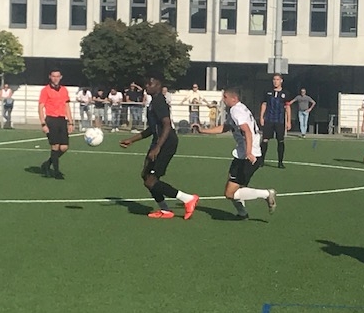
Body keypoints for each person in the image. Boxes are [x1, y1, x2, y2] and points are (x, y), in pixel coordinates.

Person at [119, 71, 199, 220]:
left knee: (151, 180)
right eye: (146, 83)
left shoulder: (159, 102)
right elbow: (152, 128)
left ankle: (188, 199)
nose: (147, 86)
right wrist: (132, 140)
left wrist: (158, 147)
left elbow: (167, 125)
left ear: (159, 85)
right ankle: (165, 210)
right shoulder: (152, 102)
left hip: (166, 142)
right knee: (146, 176)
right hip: (159, 141)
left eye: (151, 83)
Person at [199, 88, 277, 219]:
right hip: (242, 155)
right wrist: (203, 131)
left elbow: (247, 131)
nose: (223, 100)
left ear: (234, 98)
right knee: (237, 187)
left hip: (248, 157)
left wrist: (248, 152)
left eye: (225, 97)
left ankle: (267, 194)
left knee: (230, 193)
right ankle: (242, 213)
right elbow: (226, 127)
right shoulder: (238, 108)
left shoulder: (236, 110)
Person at [38, 69, 74, 180]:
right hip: (51, 120)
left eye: (57, 76)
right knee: (55, 146)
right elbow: (40, 107)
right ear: (50, 77)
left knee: (64, 147)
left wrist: (71, 122)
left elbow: (67, 106)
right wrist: (43, 123)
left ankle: (47, 164)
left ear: (61, 77)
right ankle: (56, 172)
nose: (55, 78)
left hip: (62, 120)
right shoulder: (45, 90)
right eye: (53, 76)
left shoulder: (64, 90)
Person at [260, 73, 291, 168]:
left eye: (277, 79)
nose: (275, 81)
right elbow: (264, 104)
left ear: (281, 81)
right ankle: (261, 161)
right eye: (274, 79)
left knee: (280, 141)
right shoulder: (268, 92)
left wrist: (288, 121)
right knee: (265, 140)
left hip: (280, 120)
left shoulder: (285, 93)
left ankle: (280, 162)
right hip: (269, 119)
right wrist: (261, 117)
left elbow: (288, 107)